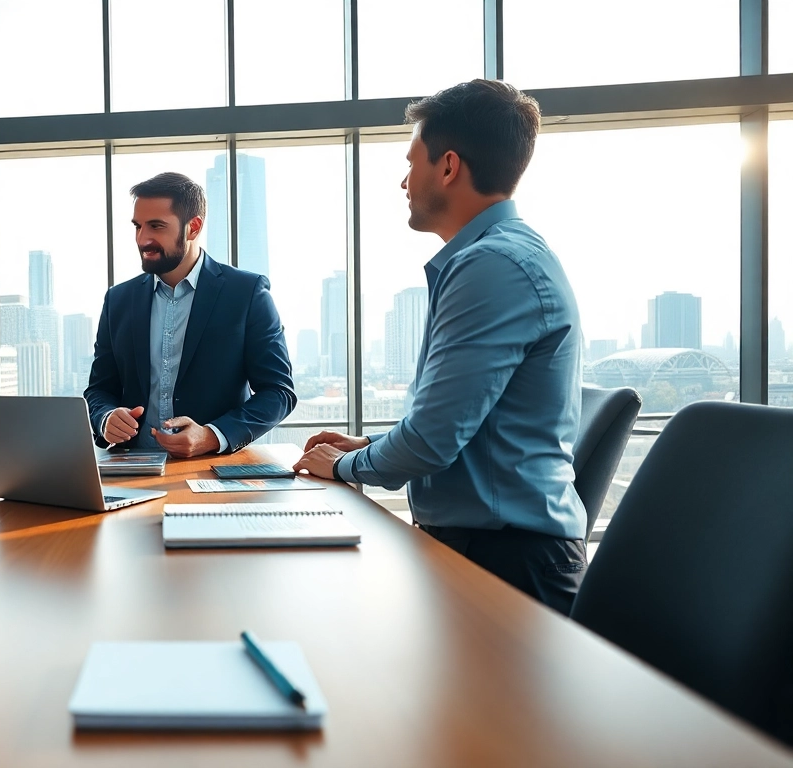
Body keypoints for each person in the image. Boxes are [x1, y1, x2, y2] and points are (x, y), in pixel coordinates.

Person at [294, 80, 587, 614]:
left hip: (507, 565)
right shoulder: (495, 257)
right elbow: (461, 431)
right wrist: (366, 449)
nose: (404, 182)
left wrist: (338, 468)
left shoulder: (492, 266)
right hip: (487, 549)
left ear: (448, 167)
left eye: (412, 162)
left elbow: (430, 443)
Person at [84, 172, 296, 458]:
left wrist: (211, 435)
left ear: (193, 227)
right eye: (138, 226)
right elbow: (99, 390)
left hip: (213, 471)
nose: (142, 238)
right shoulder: (118, 300)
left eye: (156, 226)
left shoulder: (246, 293)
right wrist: (106, 418)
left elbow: (279, 392)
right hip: (130, 471)